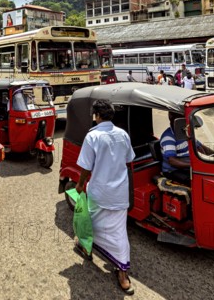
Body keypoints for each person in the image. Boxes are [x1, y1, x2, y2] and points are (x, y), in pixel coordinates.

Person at [75, 99, 135, 295]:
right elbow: (128, 160)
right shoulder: (123, 135)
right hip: (119, 193)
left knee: (91, 222)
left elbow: (86, 167)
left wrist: (80, 183)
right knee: (118, 232)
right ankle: (122, 272)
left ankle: (88, 250)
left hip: (99, 192)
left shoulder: (93, 136)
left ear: (97, 116)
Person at [160, 112, 192, 185]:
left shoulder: (184, 132)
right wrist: (192, 165)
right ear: (170, 117)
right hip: (173, 171)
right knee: (195, 181)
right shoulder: (168, 137)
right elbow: (172, 161)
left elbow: (200, 147)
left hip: (186, 167)